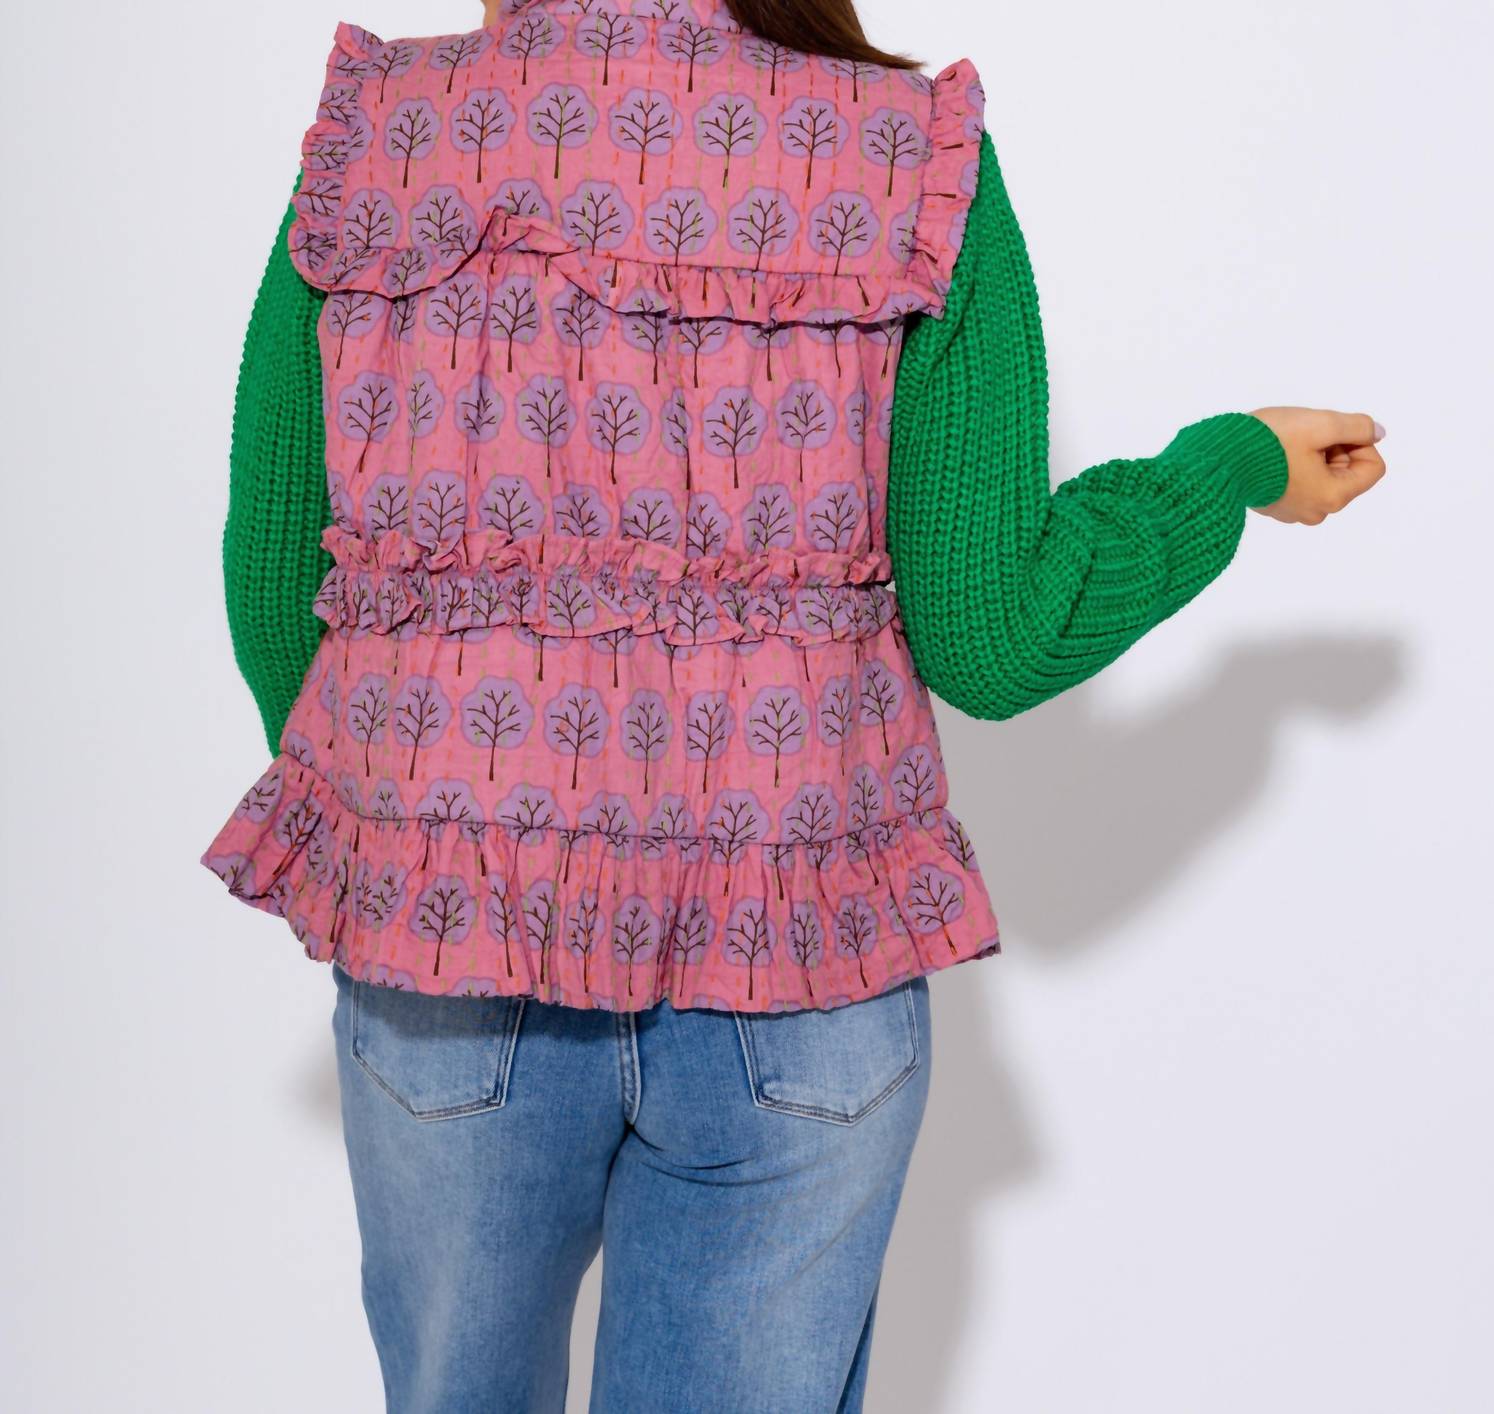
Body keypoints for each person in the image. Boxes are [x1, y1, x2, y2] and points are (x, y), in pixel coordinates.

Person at [200, 0, 1386, 1408]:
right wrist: (1230, 466)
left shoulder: (388, 137)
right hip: (801, 966)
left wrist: (424, 826)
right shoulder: (908, 155)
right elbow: (994, 639)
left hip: (448, 950)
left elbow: (277, 585)